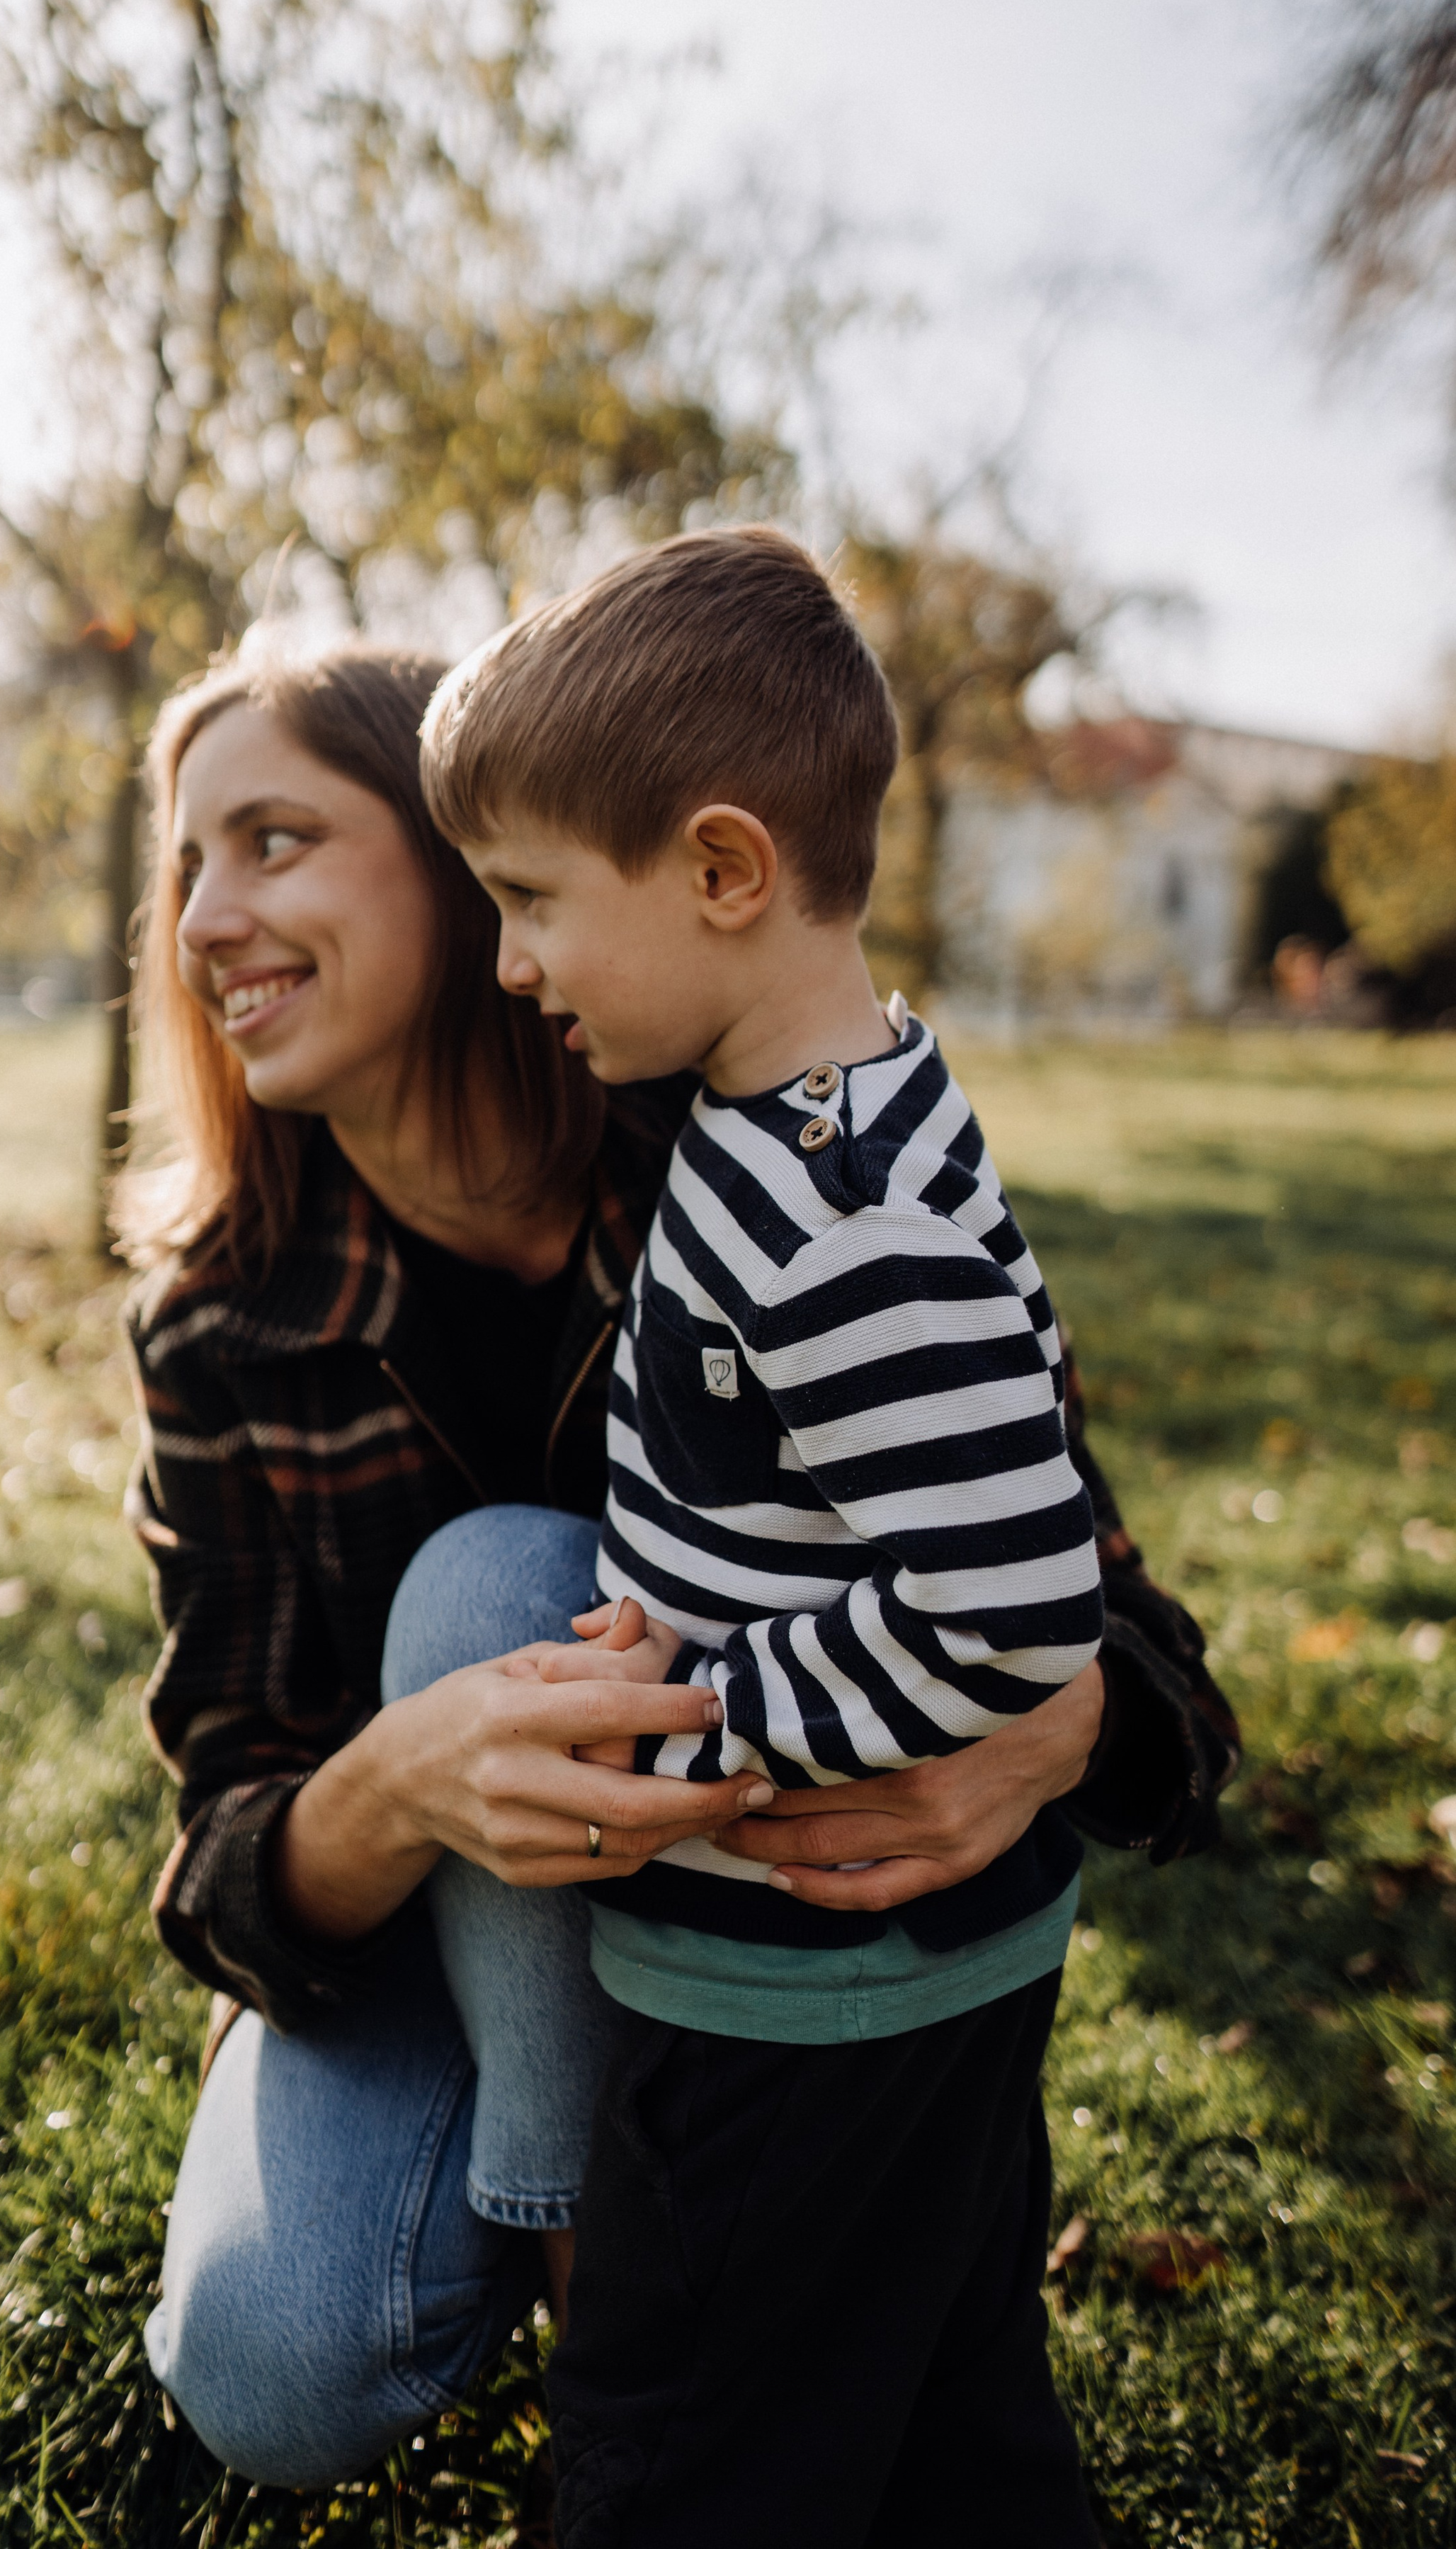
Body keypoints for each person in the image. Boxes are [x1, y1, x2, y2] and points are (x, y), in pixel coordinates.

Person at [115, 637, 1234, 2504]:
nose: (206, 918)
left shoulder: (750, 1143)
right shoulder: (220, 1317)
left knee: (499, 1586)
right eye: (186, 867)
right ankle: (591, 2238)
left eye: (275, 840)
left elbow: (1094, 1599)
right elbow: (222, 1850)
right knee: (278, 2358)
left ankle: (613, 2297)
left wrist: (1058, 1720)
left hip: (755, 1933)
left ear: (468, 869)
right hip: (416, 1929)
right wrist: (406, 1782)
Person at [418, 523, 1103, 2546]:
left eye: (533, 899)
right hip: (887, 1983)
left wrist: (705, 1723)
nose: (511, 963)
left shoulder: (837, 1218)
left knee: (688, 2440)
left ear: (725, 871)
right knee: (944, 2415)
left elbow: (1010, 1601)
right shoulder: (809, 1119)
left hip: (810, 1998)